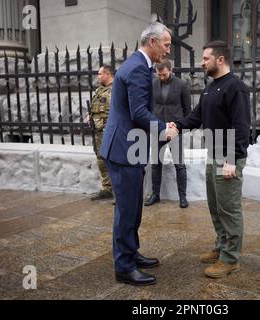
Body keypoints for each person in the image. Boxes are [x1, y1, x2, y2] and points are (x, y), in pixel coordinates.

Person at [99, 22, 177, 286]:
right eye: (166, 44)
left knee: (133, 207)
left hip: (128, 148)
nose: (168, 50)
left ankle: (131, 253)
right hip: (123, 151)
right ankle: (124, 267)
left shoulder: (139, 65)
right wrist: (164, 129)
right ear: (152, 42)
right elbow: (138, 113)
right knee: (126, 210)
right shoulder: (137, 69)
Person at [171, 41, 251, 279]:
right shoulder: (211, 87)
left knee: (229, 209)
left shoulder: (235, 88)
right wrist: (177, 125)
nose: (202, 62)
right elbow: (196, 116)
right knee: (216, 207)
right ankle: (221, 245)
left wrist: (232, 160)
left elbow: (241, 126)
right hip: (213, 154)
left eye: (206, 58)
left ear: (220, 59)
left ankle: (230, 259)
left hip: (227, 157)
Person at [145, 59, 191, 209]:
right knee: (155, 163)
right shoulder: (153, 83)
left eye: (164, 74)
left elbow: (187, 110)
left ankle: (183, 197)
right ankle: (155, 194)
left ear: (171, 70)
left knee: (179, 165)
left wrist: (180, 127)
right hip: (157, 128)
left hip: (175, 129)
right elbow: (149, 106)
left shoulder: (182, 85)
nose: (161, 77)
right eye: (159, 75)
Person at [88, 65, 115, 201]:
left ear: (107, 74)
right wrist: (89, 115)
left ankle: (117, 191)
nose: (98, 76)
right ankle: (107, 189)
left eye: (99, 74)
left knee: (113, 161)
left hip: (109, 131)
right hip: (98, 131)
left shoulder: (116, 90)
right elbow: (95, 107)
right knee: (101, 160)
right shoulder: (99, 90)